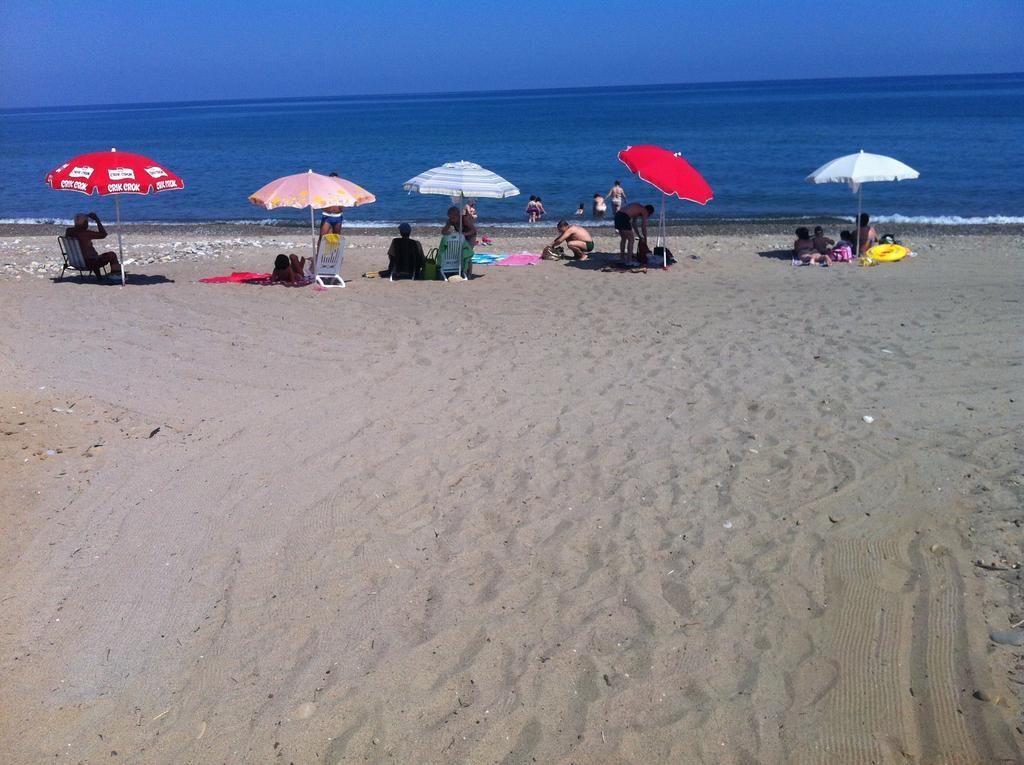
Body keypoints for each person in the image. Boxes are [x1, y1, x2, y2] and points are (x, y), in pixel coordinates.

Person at [65, 212, 122, 279]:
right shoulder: (86, 233)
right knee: (112, 255)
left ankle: (99, 276)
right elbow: (103, 234)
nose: (87, 224)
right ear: (84, 223)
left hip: (76, 262)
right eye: (87, 222)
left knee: (92, 255)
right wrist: (97, 220)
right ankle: (116, 275)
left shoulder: (69, 231)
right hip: (89, 263)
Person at [317, 172, 344, 254]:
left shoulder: (341, 189)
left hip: (338, 216)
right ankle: (319, 256)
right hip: (327, 216)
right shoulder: (325, 189)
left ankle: (334, 256)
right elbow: (319, 201)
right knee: (322, 237)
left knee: (336, 238)